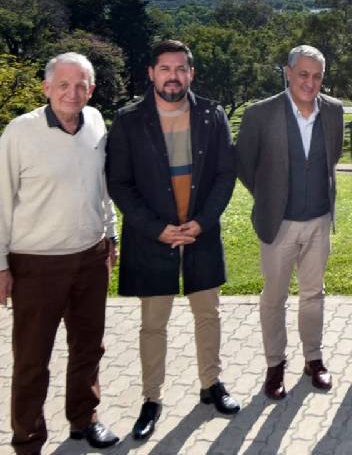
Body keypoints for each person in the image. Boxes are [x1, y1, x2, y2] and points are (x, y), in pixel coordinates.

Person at [106, 40, 239, 441]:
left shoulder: (212, 115)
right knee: (153, 324)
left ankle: (210, 384)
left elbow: (225, 175)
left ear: (191, 74)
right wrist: (155, 228)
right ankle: (151, 399)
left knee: (208, 314)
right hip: (153, 238)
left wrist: (202, 222)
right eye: (165, 68)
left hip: (200, 234)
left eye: (181, 69)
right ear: (151, 73)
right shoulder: (129, 120)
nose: (173, 76)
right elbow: (119, 183)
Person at [0, 53, 120, 453]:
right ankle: (28, 439)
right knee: (32, 357)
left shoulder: (96, 122)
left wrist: (111, 234)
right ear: (46, 88)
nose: (73, 93)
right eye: (64, 85)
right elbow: (1, 200)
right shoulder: (20, 132)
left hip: (91, 256)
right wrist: (0, 265)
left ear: (92, 89)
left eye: (81, 85)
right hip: (36, 263)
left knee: (89, 347)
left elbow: (101, 186)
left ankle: (84, 419)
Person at [236, 45, 344, 399]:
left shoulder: (333, 111)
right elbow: (245, 165)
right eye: (303, 74)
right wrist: (269, 195)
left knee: (313, 294)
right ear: (288, 73)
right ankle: (275, 364)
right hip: (278, 223)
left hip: (318, 221)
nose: (309, 83)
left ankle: (313, 359)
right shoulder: (260, 113)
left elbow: (330, 159)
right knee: (274, 297)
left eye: (317, 76)